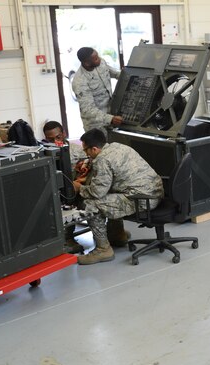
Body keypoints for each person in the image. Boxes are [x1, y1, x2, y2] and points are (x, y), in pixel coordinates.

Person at [72, 129, 163, 265]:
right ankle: (117, 234)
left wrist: (79, 188)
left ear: (95, 149)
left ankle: (103, 249)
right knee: (112, 196)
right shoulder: (118, 146)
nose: (86, 154)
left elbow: (97, 193)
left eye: (86, 150)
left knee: (91, 204)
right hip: (154, 192)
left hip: (141, 200)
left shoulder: (102, 160)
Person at [43, 120, 88, 254]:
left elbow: (89, 169)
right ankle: (67, 238)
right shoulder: (45, 154)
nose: (55, 141)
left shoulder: (78, 151)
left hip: (78, 187)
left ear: (64, 134)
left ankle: (113, 234)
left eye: (58, 137)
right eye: (50, 139)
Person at [71, 47, 123, 135]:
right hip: (96, 124)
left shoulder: (100, 63)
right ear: (87, 63)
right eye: (95, 59)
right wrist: (110, 119)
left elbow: (114, 73)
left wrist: (127, 74)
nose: (99, 59)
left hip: (111, 115)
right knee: (101, 148)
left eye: (98, 56)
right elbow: (88, 110)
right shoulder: (80, 82)